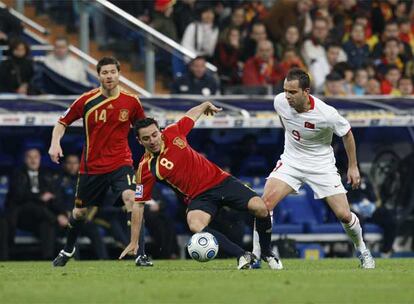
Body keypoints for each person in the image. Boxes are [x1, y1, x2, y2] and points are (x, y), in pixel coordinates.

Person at [119, 102, 282, 270]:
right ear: (139, 141)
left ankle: (267, 252)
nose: (152, 140)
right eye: (146, 138)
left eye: (154, 135)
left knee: (261, 208)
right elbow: (138, 206)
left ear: (160, 131)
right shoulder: (145, 168)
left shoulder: (174, 132)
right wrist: (133, 241)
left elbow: (191, 114)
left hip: (221, 181)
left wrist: (204, 105)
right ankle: (242, 255)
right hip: (199, 197)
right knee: (195, 223)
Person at [253, 68, 375, 269]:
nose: (287, 96)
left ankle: (362, 249)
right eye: (285, 90)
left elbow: (347, 133)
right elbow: (287, 123)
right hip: (292, 161)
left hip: (321, 165)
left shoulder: (327, 114)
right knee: (263, 206)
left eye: (292, 92)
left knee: (344, 214)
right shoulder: (279, 102)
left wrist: (353, 167)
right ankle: (257, 256)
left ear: (306, 91)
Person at [48, 56, 148, 267]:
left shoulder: (132, 102)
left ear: (119, 74)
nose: (109, 76)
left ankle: (140, 253)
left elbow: (143, 129)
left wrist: (154, 148)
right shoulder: (86, 100)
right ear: (99, 76)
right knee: (79, 213)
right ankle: (68, 249)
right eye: (105, 72)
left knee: (132, 200)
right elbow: (61, 122)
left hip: (121, 163)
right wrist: (55, 144)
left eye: (113, 72)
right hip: (91, 167)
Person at [5, 148, 64, 260]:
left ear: (40, 159)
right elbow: (19, 195)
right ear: (24, 159)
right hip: (21, 215)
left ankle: (48, 258)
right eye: (30, 157)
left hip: (40, 217)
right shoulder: (17, 174)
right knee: (35, 207)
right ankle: (55, 219)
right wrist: (39, 197)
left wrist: (62, 213)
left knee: (46, 224)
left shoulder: (46, 174)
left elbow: (53, 196)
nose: (33, 160)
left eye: (36, 157)